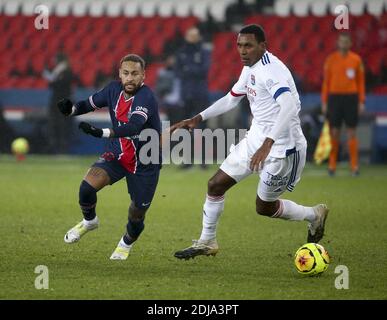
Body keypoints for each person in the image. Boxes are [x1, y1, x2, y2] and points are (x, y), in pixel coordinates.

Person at [170, 25, 329, 260]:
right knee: (215, 185)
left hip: (283, 148)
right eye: (239, 45)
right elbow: (231, 99)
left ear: (263, 46)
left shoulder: (271, 70)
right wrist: (198, 118)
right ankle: (207, 241)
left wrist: (268, 143)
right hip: (256, 138)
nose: (242, 51)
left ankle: (314, 215)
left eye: (248, 45)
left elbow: (289, 106)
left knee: (264, 207)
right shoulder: (250, 68)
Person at [57, 54, 161, 260]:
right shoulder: (113, 89)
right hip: (118, 153)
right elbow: (88, 104)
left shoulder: (146, 97)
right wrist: (71, 110)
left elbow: (133, 126)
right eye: (126, 73)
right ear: (120, 74)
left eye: (135, 74)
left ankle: (125, 243)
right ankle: (89, 221)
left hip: (145, 161)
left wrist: (101, 133)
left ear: (144, 76)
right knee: (86, 187)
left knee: (136, 214)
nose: (130, 78)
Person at [321, 32, 365, 176]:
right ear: (338, 43)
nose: (344, 44)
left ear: (350, 44)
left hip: (351, 98)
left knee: (351, 131)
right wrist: (324, 101)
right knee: (335, 132)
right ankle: (332, 165)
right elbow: (326, 82)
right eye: (341, 41)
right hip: (334, 98)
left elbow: (361, 83)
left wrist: (361, 101)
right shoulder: (331, 60)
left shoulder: (356, 60)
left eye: (346, 41)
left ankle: (354, 166)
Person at [175, 27, 211, 168]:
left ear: (199, 37)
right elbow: (177, 72)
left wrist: (188, 69)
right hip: (186, 94)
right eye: (190, 35)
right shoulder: (181, 53)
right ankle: (187, 161)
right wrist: (192, 69)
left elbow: (204, 70)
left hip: (201, 94)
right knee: (185, 127)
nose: (192, 38)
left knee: (203, 127)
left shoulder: (204, 52)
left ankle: (204, 161)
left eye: (195, 35)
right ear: (186, 37)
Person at [43, 52, 73, 154]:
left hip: (63, 100)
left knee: (62, 124)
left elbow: (61, 84)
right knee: (54, 123)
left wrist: (52, 80)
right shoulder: (58, 71)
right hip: (56, 100)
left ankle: (62, 147)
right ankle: (54, 146)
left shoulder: (66, 71)